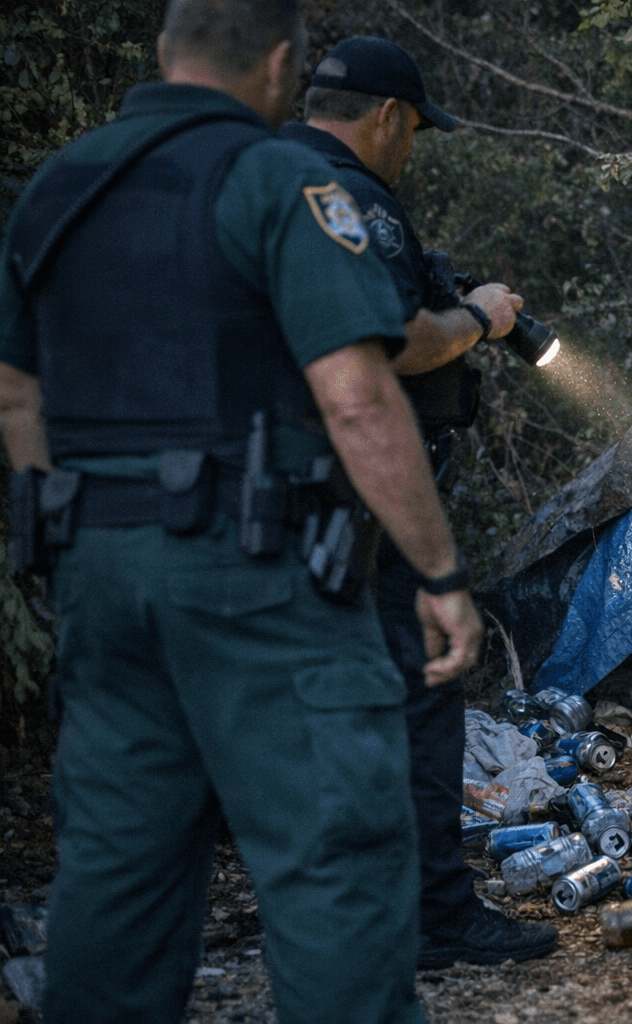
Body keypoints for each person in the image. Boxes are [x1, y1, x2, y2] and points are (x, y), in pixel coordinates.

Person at [0, 1, 485, 1019]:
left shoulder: (58, 187)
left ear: (167, 54)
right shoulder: (277, 179)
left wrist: (66, 542)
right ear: (276, 66)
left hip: (97, 573)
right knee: (333, 855)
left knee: (119, 871)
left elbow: (15, 395)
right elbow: (357, 394)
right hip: (262, 578)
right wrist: (437, 572)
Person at [279, 36, 555, 969]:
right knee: (425, 687)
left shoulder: (266, 178)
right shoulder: (353, 200)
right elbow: (391, 344)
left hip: (276, 500)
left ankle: (344, 911)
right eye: (414, 132)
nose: (411, 150)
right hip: (365, 501)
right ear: (390, 116)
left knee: (328, 706)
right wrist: (479, 316)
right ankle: (438, 917)